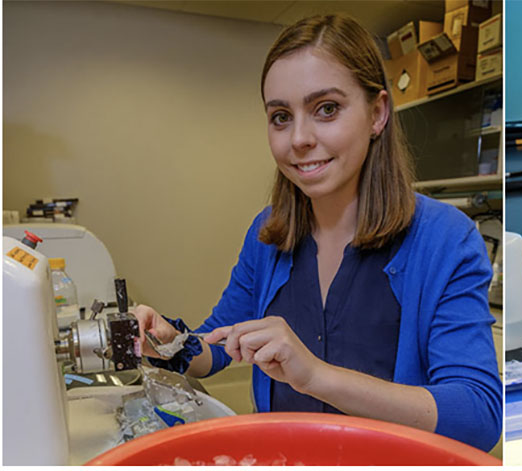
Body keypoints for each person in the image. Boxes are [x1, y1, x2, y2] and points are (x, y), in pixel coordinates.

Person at [131, 13, 502, 452]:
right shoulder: (268, 235)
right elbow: (216, 346)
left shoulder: (444, 239)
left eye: (326, 109)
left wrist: (315, 376)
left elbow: (479, 416)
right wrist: (170, 341)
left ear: (377, 113)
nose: (299, 138)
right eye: (281, 117)